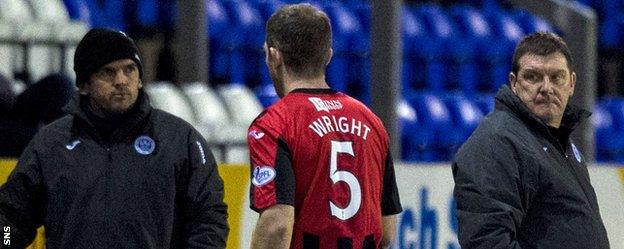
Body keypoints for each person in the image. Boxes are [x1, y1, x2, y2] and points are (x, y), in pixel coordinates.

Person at [0, 28, 228, 248]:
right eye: (107, 72)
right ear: (85, 85)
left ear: (139, 79)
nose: (121, 80)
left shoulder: (180, 140)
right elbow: (10, 217)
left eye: (129, 70)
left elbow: (209, 218)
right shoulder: (51, 144)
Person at [247, 4, 402, 249]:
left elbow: (277, 226)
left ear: (274, 56)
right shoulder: (371, 121)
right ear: (328, 55)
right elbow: (387, 230)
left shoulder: (274, 124)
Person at [452, 32, 609, 249]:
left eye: (557, 77)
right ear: (514, 83)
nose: (546, 87)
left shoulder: (557, 140)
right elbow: (488, 242)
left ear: (571, 83)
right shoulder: (499, 142)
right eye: (533, 77)